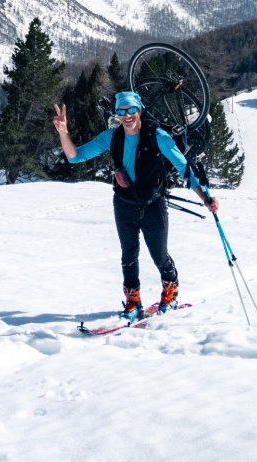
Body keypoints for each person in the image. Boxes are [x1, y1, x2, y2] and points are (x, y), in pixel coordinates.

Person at [52, 90, 218, 321]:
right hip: (124, 204)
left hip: (153, 204)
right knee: (128, 254)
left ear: (139, 110)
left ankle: (170, 292)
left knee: (159, 255)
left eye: (131, 110)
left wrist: (206, 197)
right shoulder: (112, 137)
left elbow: (184, 168)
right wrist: (63, 132)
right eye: (121, 111)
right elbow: (75, 156)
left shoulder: (157, 136)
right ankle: (133, 302)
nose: (127, 115)